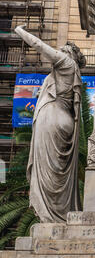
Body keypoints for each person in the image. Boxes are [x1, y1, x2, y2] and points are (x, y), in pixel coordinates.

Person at [15, 25, 86, 223]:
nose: (59, 52)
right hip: (60, 119)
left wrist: (19, 30)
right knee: (55, 171)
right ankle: (57, 215)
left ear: (69, 54)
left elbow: (38, 44)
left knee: (49, 172)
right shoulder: (71, 72)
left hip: (52, 118)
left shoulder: (65, 63)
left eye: (63, 50)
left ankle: (52, 217)